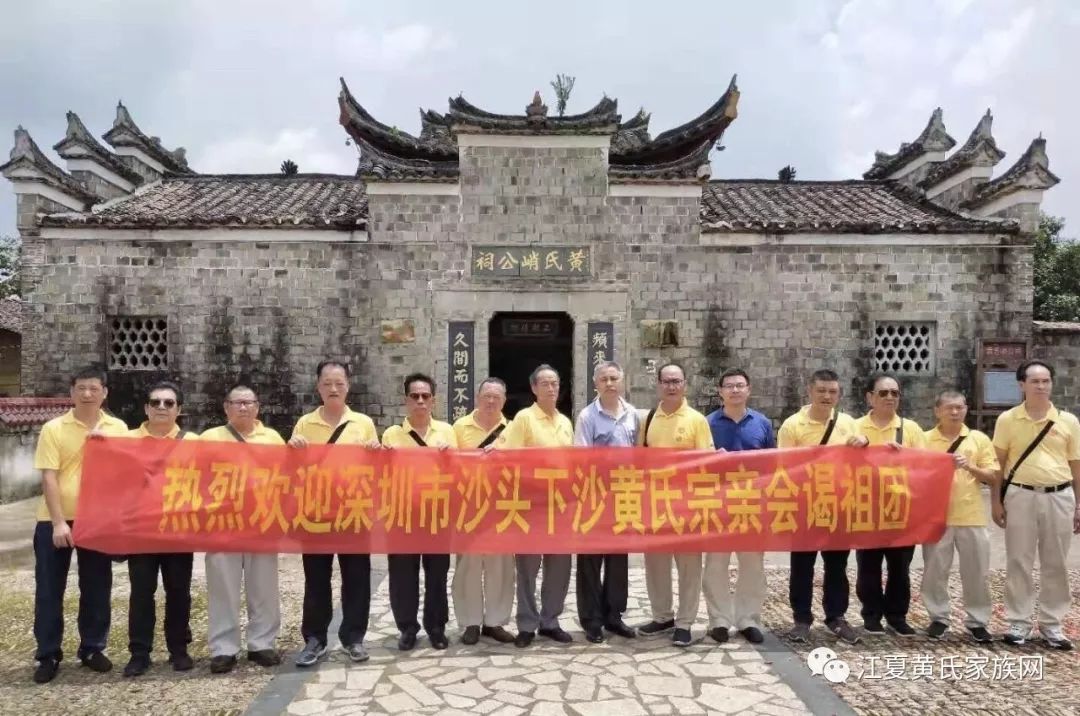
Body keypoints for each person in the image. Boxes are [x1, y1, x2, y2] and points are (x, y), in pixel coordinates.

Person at [31, 366, 129, 684]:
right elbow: (48, 476)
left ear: (105, 392)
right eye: (81, 388)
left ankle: (92, 648)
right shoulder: (54, 428)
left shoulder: (118, 428)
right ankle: (48, 654)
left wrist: (105, 447)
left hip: (98, 518)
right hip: (55, 520)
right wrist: (59, 522)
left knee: (97, 586)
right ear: (72, 392)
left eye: (93, 388)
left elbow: (127, 473)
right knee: (49, 590)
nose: (87, 394)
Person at [290, 360, 379, 666]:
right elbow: (293, 470)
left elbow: (375, 470)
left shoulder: (363, 424)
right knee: (316, 578)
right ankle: (315, 639)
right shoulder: (304, 424)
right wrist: (293, 450)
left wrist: (375, 454)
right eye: (327, 383)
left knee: (357, 577)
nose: (333, 388)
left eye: (339, 383)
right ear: (318, 387)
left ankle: (353, 638)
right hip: (315, 513)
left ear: (348, 386)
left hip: (354, 512)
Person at [992, 360, 1080, 650]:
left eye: (1046, 381)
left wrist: (1079, 504)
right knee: (1019, 559)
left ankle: (1053, 624)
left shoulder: (1068, 421)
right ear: (1021, 385)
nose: (1041, 386)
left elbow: (1076, 466)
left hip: (1060, 495)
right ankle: (1018, 622)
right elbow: (998, 464)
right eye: (1035, 381)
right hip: (1020, 495)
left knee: (1056, 562)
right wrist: (996, 501)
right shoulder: (1007, 420)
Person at [201, 385, 286, 674]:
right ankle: (224, 648)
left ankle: (262, 643)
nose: (243, 408)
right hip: (222, 523)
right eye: (237, 403)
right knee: (222, 587)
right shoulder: (209, 438)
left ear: (258, 407)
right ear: (226, 407)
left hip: (262, 521)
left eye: (249, 403)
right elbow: (190, 472)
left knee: (263, 586)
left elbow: (287, 476)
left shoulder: (272, 438)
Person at [778, 368, 866, 645]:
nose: (827, 396)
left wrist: (864, 442)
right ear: (810, 392)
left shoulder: (849, 423)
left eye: (832, 392)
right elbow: (783, 468)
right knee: (802, 566)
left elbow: (863, 460)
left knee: (837, 566)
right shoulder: (793, 425)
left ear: (839, 394)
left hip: (839, 505)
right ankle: (801, 619)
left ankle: (836, 617)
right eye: (821, 391)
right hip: (805, 505)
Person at [635, 362, 715, 647]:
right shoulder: (648, 419)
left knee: (689, 567)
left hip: (687, 505)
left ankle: (684, 622)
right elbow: (639, 459)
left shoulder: (696, 420)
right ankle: (662, 615)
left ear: (684, 384)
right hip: (655, 504)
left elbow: (707, 462)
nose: (671, 386)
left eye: (676, 381)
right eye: (666, 381)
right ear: (658, 384)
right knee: (655, 565)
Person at [123, 381, 199, 677]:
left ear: (179, 410)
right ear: (146, 408)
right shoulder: (126, 440)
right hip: (141, 528)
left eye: (169, 403)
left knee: (179, 591)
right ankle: (139, 652)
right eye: (156, 402)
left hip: (178, 528)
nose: (162, 408)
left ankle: (178, 648)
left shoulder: (193, 442)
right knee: (141, 591)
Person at [497, 364, 576, 648]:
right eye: (545, 384)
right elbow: (508, 457)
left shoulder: (566, 422)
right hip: (531, 505)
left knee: (559, 566)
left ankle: (550, 621)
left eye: (555, 383)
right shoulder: (524, 419)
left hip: (561, 505)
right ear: (534, 388)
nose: (551, 388)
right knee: (528, 567)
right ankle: (527, 624)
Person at [382, 372, 459, 650]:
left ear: (433, 401)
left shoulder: (447, 432)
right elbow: (382, 473)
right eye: (414, 396)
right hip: (403, 514)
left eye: (425, 396)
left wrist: (451, 455)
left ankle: (436, 627)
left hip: (437, 514)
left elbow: (460, 472)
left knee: (437, 574)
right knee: (403, 576)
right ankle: (407, 628)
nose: (420, 401)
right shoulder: (392, 434)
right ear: (406, 401)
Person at [919, 390, 999, 643]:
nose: (955, 412)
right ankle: (938, 618)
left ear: (966, 409)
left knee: (976, 572)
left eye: (960, 408)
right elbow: (915, 475)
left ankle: (977, 621)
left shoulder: (977, 439)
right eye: (949, 408)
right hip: (937, 516)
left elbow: (993, 476)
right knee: (935, 571)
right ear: (937, 411)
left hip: (971, 515)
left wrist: (970, 466)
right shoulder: (924, 439)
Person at [704, 368, 774, 644]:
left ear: (749, 390)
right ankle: (719, 619)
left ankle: (748, 618)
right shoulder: (707, 423)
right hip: (717, 504)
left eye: (740, 385)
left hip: (752, 504)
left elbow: (772, 463)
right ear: (720, 392)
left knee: (752, 564)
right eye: (729, 386)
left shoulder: (762, 423)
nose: (734, 390)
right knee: (716, 565)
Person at [854, 374, 926, 637]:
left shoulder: (911, 429)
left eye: (894, 393)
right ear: (869, 397)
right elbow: (838, 463)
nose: (889, 398)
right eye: (883, 393)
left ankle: (897, 616)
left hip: (901, 508)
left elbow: (925, 466)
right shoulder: (854, 427)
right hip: (866, 507)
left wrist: (905, 456)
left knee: (900, 568)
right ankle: (871, 615)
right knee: (868, 565)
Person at [572, 361, 639, 644]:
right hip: (594, 498)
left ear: (622, 381)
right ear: (595, 384)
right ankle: (592, 620)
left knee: (617, 560)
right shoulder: (587, 416)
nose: (609, 383)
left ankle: (614, 616)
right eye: (604, 379)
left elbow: (640, 453)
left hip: (624, 497)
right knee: (590, 561)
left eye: (614, 378)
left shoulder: (634, 415)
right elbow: (581, 457)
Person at [450, 378, 516, 645]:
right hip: (469, 506)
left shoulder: (512, 429)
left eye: (497, 397)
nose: (491, 402)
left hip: (502, 506)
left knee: (500, 565)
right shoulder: (459, 427)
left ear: (504, 401)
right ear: (477, 398)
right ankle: (470, 622)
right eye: (486, 396)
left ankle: (495, 622)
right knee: (468, 566)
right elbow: (448, 465)